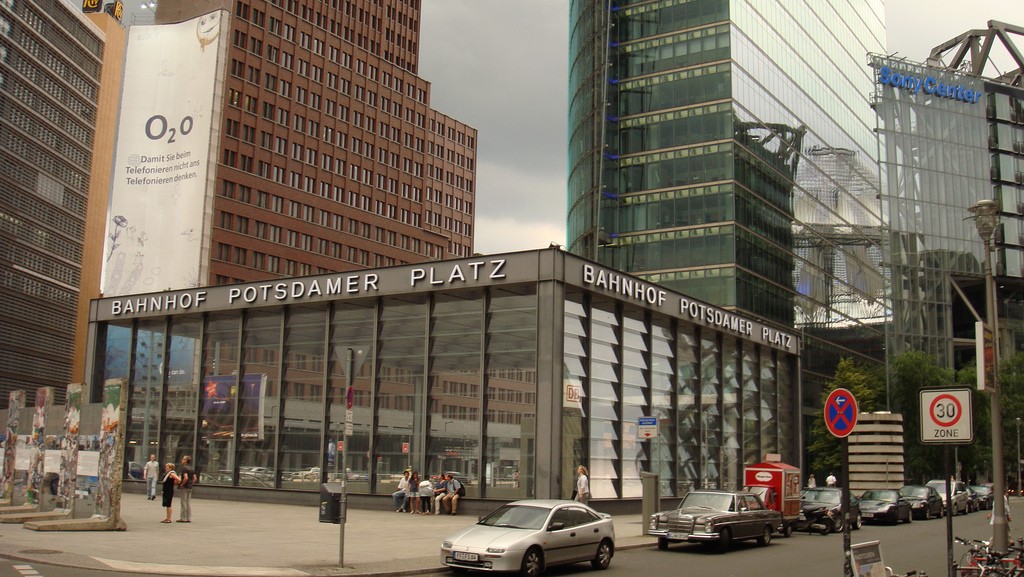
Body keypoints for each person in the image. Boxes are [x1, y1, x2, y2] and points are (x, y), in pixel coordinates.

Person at [177, 455, 195, 523]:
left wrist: (182, 484)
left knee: (183, 502)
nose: (182, 460)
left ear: (185, 461)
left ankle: (183, 518)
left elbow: (186, 477)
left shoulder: (184, 468)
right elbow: (194, 478)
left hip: (185, 487)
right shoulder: (192, 468)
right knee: (188, 502)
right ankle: (188, 518)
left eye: (183, 459)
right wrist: (191, 483)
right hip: (190, 487)